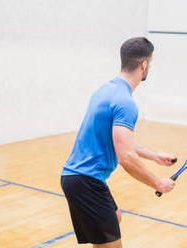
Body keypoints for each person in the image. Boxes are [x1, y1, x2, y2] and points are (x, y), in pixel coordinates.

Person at [61, 37, 176, 248]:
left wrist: (155, 156)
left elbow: (120, 142)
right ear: (144, 64)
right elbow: (126, 157)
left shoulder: (105, 90)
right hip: (87, 182)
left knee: (115, 217)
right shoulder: (126, 103)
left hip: (79, 179)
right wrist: (157, 183)